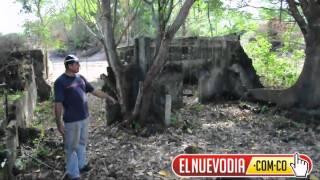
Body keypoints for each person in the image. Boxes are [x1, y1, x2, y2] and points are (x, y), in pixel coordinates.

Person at [54, 54, 116, 180]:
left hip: (84, 118)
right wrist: (59, 123)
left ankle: (82, 165)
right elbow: (58, 104)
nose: (79, 66)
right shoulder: (60, 82)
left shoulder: (80, 78)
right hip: (72, 120)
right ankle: (73, 173)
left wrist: (108, 97)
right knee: (71, 147)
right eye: (76, 64)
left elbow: (94, 91)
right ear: (69, 65)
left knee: (82, 143)